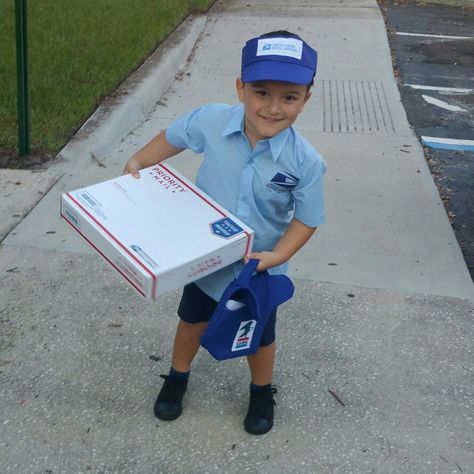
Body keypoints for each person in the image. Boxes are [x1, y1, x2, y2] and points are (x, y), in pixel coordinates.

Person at [123, 30, 326, 435]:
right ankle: (177, 377)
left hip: (259, 269)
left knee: (259, 334)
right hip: (206, 259)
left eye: (289, 97)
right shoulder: (212, 121)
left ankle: (261, 390)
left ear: (306, 97)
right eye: (261, 92)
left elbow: (308, 218)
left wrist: (279, 256)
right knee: (192, 321)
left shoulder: (306, 162)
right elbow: (175, 137)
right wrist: (140, 160)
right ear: (241, 87)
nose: (272, 107)